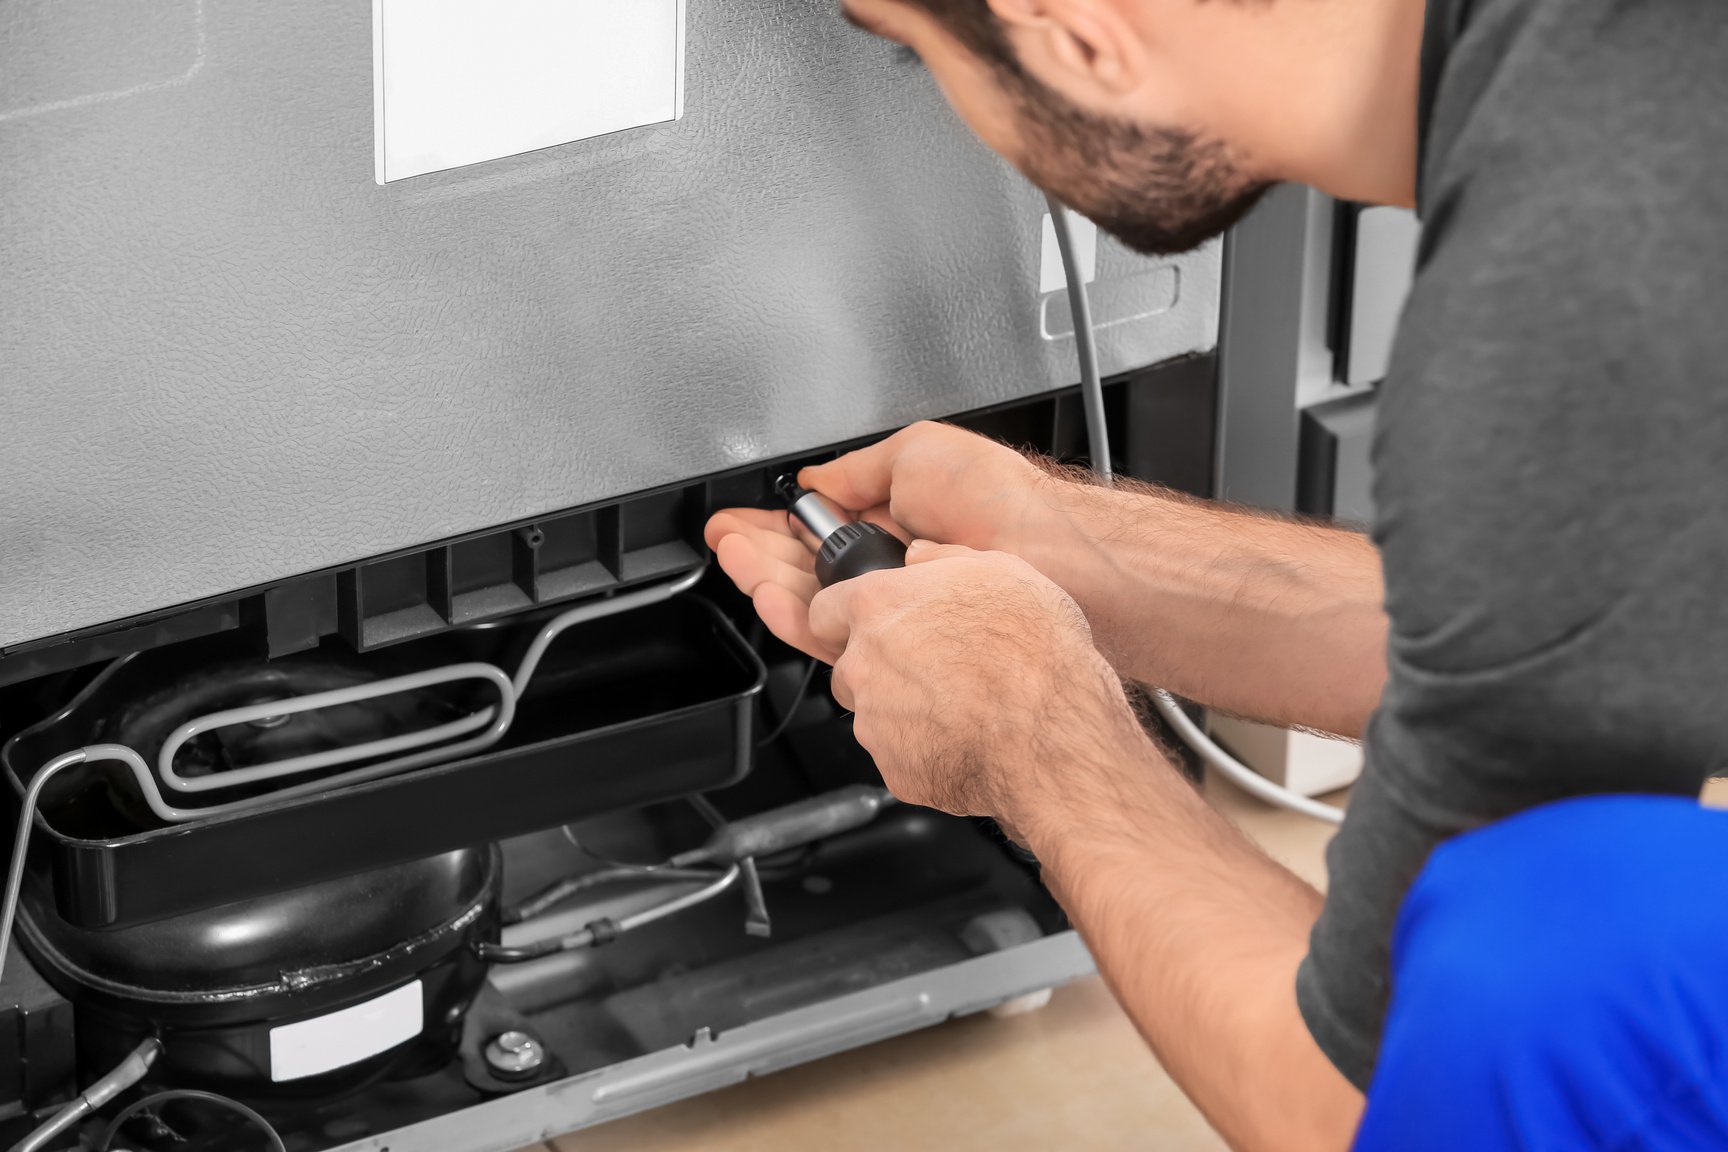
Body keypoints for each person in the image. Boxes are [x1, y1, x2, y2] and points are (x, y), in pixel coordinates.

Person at [705, 0, 1728, 1146]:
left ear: (1072, 26)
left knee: (1545, 966)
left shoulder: (1577, 282)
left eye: (913, 52)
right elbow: (1608, 624)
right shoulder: (1637, 91)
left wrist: (1039, 733)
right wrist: (1086, 557)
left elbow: (1372, 1102)